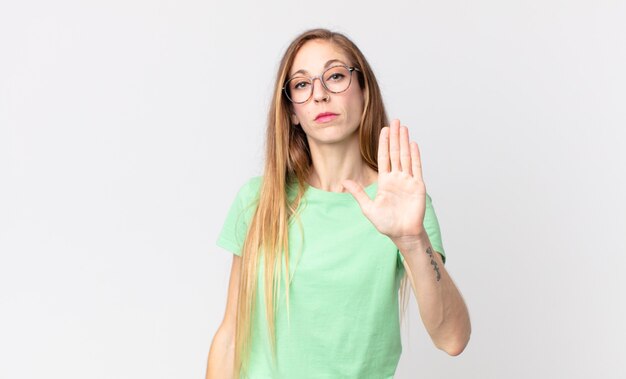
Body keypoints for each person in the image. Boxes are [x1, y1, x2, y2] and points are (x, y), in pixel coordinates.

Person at [206, 28, 471, 379]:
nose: (320, 95)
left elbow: (452, 338)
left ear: (364, 93)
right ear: (293, 112)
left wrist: (411, 240)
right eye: (302, 84)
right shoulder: (258, 200)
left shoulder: (400, 205)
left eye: (335, 76)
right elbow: (230, 337)